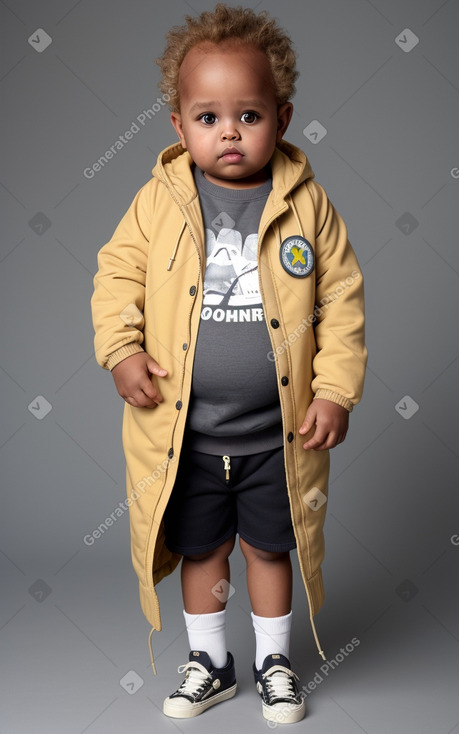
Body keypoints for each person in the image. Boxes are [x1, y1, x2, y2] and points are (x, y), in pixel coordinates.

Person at [90, 3, 368, 724]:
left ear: (281, 116)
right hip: (184, 435)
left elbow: (339, 299)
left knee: (271, 548)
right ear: (179, 127)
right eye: (208, 117)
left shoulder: (307, 205)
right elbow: (116, 276)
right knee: (201, 548)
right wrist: (121, 349)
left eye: (247, 115)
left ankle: (275, 661)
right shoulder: (158, 203)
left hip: (277, 436)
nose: (230, 133)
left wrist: (335, 390)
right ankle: (209, 663)